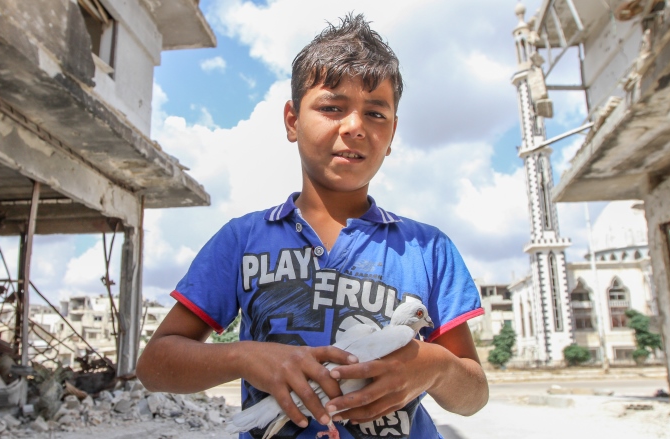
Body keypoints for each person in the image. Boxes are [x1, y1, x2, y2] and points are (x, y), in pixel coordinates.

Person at [137, 13, 488, 439]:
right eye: (332, 107)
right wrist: (245, 357)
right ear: (292, 120)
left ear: (392, 133)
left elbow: (473, 396)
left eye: (376, 113)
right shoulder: (242, 240)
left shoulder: (428, 249)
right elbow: (156, 365)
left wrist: (435, 367)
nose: (355, 127)